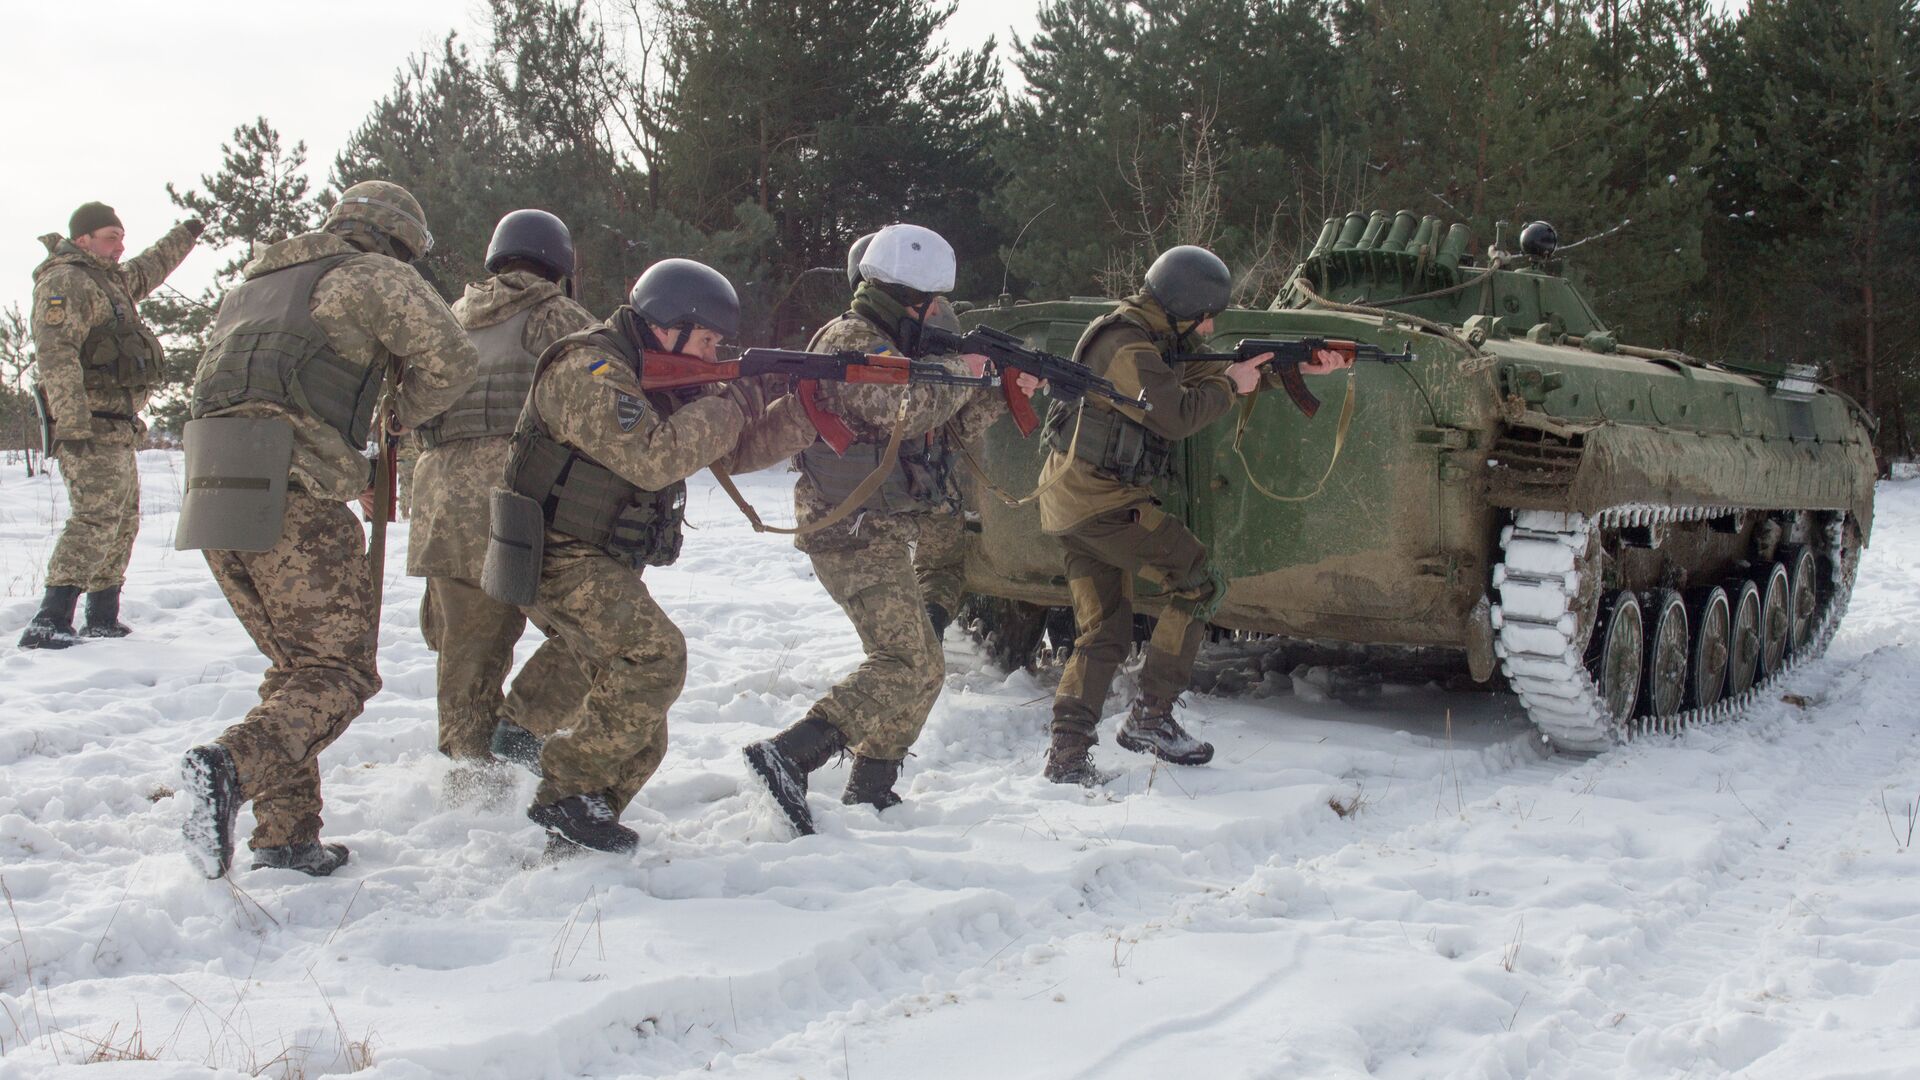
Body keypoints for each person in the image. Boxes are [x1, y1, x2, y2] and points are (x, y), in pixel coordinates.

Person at [176, 180, 479, 877]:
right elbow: (454, 360)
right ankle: (228, 767)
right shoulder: (373, 275)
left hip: (213, 489)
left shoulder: (251, 284)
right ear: (399, 241)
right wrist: (400, 416)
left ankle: (285, 836)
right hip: (294, 492)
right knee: (339, 673)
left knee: (297, 671)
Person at [496, 258, 816, 854]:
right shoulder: (589, 369)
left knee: (643, 734)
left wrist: (806, 409)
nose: (714, 351)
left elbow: (729, 451)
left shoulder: (656, 377)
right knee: (655, 658)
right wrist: (737, 398)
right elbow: (655, 458)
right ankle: (565, 791)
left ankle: (579, 831)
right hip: (555, 551)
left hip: (596, 557)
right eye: (708, 339)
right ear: (669, 324)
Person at [741, 223, 1035, 834]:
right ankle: (791, 754)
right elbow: (903, 406)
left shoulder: (901, 348)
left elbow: (941, 430)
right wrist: (963, 368)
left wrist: (1002, 392)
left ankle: (873, 784)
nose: (937, 315)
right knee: (909, 661)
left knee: (919, 662)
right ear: (912, 298)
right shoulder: (852, 338)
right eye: (932, 304)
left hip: (875, 527)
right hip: (846, 529)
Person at [1035, 245, 1352, 785]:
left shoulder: (1152, 334)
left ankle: (1066, 757)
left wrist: (1292, 367)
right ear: (1182, 305)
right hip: (1102, 506)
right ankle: (1151, 718)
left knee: (1105, 633)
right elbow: (1177, 414)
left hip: (1074, 506)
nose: (1209, 327)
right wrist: (1232, 387)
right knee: (1198, 582)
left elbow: (1212, 369)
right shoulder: (1125, 344)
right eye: (1205, 315)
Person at [406, 209, 594, 790]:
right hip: (517, 498)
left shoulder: (450, 317)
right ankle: (525, 727)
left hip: (439, 499)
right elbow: (601, 393)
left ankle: (468, 773)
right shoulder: (556, 314)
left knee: (466, 649)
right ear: (557, 263)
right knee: (591, 631)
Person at [18, 202, 201, 648]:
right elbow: (55, 354)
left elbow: (152, 265)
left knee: (122, 521)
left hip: (119, 426)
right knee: (95, 518)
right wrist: (72, 424)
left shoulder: (110, 281)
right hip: (90, 425)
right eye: (111, 237)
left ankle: (102, 616)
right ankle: (50, 619)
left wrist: (190, 230)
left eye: (121, 237)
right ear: (83, 240)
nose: (121, 246)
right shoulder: (66, 281)